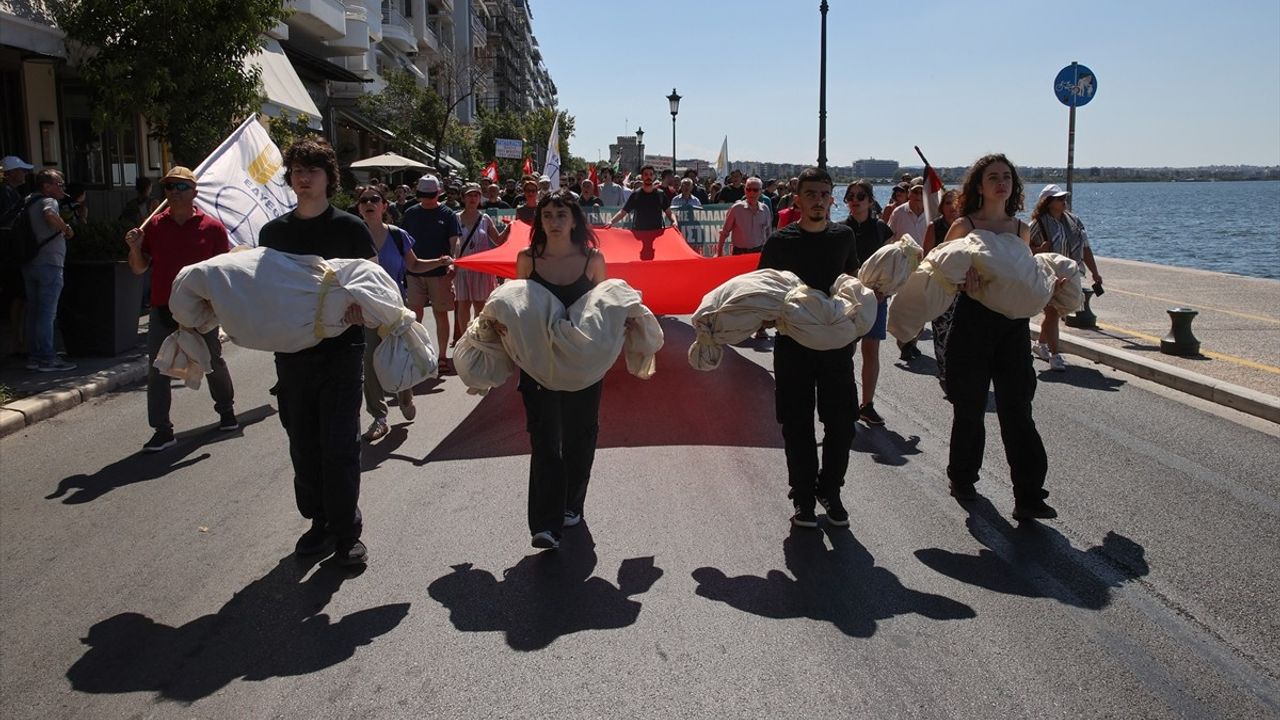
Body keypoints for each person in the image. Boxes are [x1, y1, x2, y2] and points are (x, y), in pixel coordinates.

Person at [259, 137, 376, 566]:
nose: (303, 178)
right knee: (303, 445)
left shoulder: (350, 228)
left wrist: (363, 306)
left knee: (339, 444)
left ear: (330, 177)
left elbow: (373, 283)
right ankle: (319, 521)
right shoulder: (274, 233)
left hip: (341, 353)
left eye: (312, 170)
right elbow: (265, 289)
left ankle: (346, 533)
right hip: (292, 355)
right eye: (297, 171)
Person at [941, 153, 1056, 521]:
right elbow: (937, 272)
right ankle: (963, 477)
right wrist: (961, 282)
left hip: (1013, 329)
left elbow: (1023, 277)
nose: (1001, 182)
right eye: (993, 176)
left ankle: (1029, 495)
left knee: (1018, 410)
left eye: (1007, 176)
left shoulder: (1022, 230)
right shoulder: (964, 226)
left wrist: (1051, 286)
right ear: (979, 185)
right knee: (970, 409)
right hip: (972, 325)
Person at [497, 191, 609, 550]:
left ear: (574, 220)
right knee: (544, 438)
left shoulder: (593, 260)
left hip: (583, 365)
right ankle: (545, 524)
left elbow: (606, 308)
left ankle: (572, 503)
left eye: (561, 214)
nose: (554, 221)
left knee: (581, 435)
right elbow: (516, 306)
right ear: (539, 220)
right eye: (547, 215)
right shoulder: (527, 259)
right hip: (538, 364)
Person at [758, 167, 861, 528]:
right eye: (811, 194)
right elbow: (763, 288)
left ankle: (830, 490)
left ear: (832, 199)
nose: (818, 200)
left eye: (824, 194)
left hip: (836, 348)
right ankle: (803, 497)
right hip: (793, 347)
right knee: (796, 424)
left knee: (842, 424)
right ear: (797, 200)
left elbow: (852, 284)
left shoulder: (844, 237)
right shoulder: (779, 242)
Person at [124, 166, 238, 452]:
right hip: (163, 308)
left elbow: (223, 272)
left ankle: (226, 411)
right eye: (170, 186)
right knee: (157, 368)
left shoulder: (212, 228)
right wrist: (135, 248)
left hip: (200, 310)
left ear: (194, 192)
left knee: (212, 361)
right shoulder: (154, 226)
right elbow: (138, 269)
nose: (175, 191)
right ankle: (162, 430)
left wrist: (220, 306)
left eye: (182, 186)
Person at [353, 186, 452, 443]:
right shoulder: (352, 236)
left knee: (400, 355)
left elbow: (414, 265)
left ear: (384, 205)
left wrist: (439, 262)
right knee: (370, 361)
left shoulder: (397, 235)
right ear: (359, 207)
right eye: (364, 200)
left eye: (375, 199)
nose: (369, 203)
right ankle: (379, 417)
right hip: (368, 311)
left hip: (396, 309)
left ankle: (404, 394)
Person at [1030, 184, 1101, 372]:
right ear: (1048, 202)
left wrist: (1095, 272)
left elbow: (1085, 248)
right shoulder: (1038, 224)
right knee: (1053, 312)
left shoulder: (1075, 222)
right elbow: (1023, 248)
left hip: (1071, 274)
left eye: (1064, 198)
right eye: (1059, 199)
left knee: (1056, 313)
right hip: (1048, 275)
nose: (1064, 202)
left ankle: (1041, 344)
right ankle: (1055, 356)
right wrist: (1038, 249)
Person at [841, 180, 893, 426]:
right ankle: (845, 400)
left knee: (871, 351)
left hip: (877, 299)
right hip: (847, 298)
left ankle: (867, 405)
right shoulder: (840, 230)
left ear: (871, 201)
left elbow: (891, 263)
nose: (855, 200)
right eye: (850, 196)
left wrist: (884, 289)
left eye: (860, 196)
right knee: (845, 351)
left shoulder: (881, 229)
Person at [400, 174, 462, 372]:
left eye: (430, 195)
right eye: (423, 195)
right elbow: (403, 241)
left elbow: (455, 241)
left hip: (439, 273)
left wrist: (453, 262)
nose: (427, 199)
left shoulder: (448, 214)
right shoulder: (410, 213)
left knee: (440, 314)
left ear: (438, 193)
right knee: (414, 314)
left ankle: (442, 356)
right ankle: (416, 356)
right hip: (414, 272)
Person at [22, 169, 76, 372]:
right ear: (47, 186)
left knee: (34, 312)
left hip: (30, 263)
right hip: (50, 264)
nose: (62, 188)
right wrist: (66, 228)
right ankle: (47, 357)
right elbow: (50, 214)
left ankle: (34, 356)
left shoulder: (28, 201)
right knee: (47, 314)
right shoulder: (49, 201)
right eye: (59, 184)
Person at [923, 189, 962, 395]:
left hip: (962, 288)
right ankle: (945, 372)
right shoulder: (935, 226)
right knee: (941, 331)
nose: (952, 208)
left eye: (956, 204)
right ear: (942, 207)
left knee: (961, 332)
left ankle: (960, 371)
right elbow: (926, 258)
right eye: (948, 203)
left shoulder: (967, 227)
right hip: (940, 286)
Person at [454, 182, 503, 341]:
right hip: (462, 269)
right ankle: (465, 340)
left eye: (476, 195)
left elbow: (498, 240)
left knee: (480, 307)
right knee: (463, 305)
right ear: (463, 198)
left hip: (481, 269)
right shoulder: (455, 218)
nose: (473, 198)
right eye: (469, 195)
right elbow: (449, 243)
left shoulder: (485, 218)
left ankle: (478, 339)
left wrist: (511, 228)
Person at [1, 155, 33, 355]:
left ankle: (19, 340)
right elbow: (8, 222)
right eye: (21, 170)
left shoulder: (12, 193)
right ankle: (17, 341)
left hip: (14, 252)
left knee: (20, 296)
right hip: (11, 253)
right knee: (19, 296)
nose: (25, 174)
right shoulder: (5, 194)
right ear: (11, 173)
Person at [606, 165, 676, 231]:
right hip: (639, 233)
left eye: (651, 174)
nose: (648, 177)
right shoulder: (636, 194)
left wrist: (674, 221)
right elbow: (623, 212)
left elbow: (669, 213)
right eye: (646, 174)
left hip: (656, 233)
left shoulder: (661, 194)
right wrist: (611, 222)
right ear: (642, 177)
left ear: (654, 176)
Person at [716, 177, 772, 256]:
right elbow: (724, 232)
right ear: (745, 190)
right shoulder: (736, 208)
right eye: (748, 189)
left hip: (758, 252)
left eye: (755, 190)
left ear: (760, 191)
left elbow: (768, 232)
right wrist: (719, 252)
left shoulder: (765, 209)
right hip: (739, 252)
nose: (751, 193)